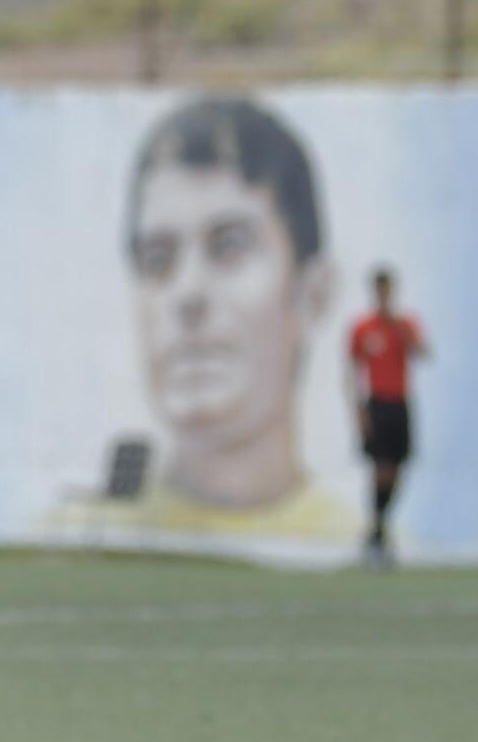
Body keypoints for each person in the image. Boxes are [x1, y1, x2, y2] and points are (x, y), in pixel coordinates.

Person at [101, 97, 353, 542]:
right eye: (157, 258)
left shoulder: (347, 542)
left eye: (229, 246)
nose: (188, 295)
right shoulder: (87, 533)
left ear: (313, 294)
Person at [347, 266, 427, 562]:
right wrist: (359, 410)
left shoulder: (404, 324)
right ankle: (378, 533)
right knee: (379, 468)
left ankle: (377, 529)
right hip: (377, 403)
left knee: (398, 469)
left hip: (400, 402)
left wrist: (399, 328)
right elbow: (352, 370)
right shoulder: (363, 328)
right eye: (379, 290)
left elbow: (423, 353)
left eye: (387, 290)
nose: (383, 295)